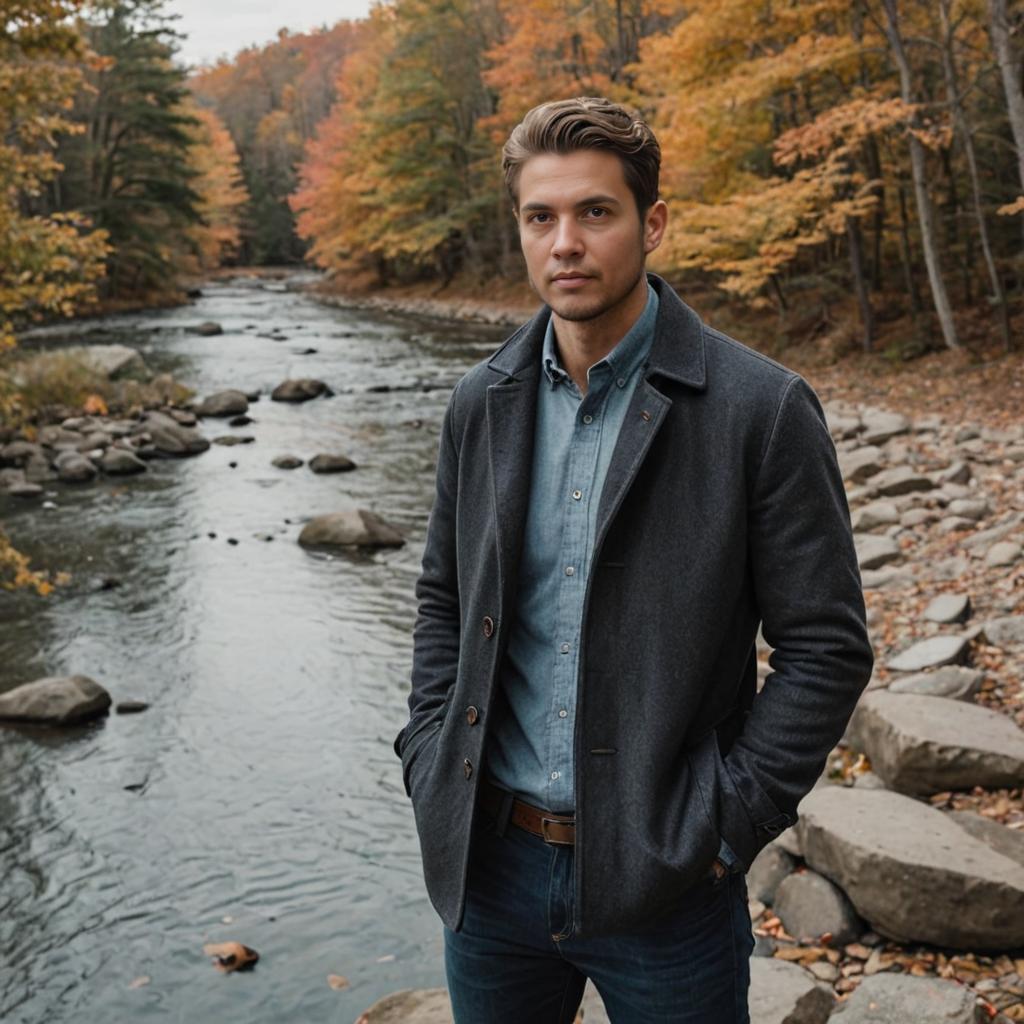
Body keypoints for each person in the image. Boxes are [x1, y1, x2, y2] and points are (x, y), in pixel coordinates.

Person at [392, 96, 873, 1023]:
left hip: (667, 885)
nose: (564, 242)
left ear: (651, 223)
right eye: (541, 217)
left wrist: (723, 828)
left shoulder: (759, 409)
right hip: (488, 875)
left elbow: (826, 647)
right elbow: (443, 599)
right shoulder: (479, 402)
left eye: (594, 213)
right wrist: (426, 754)